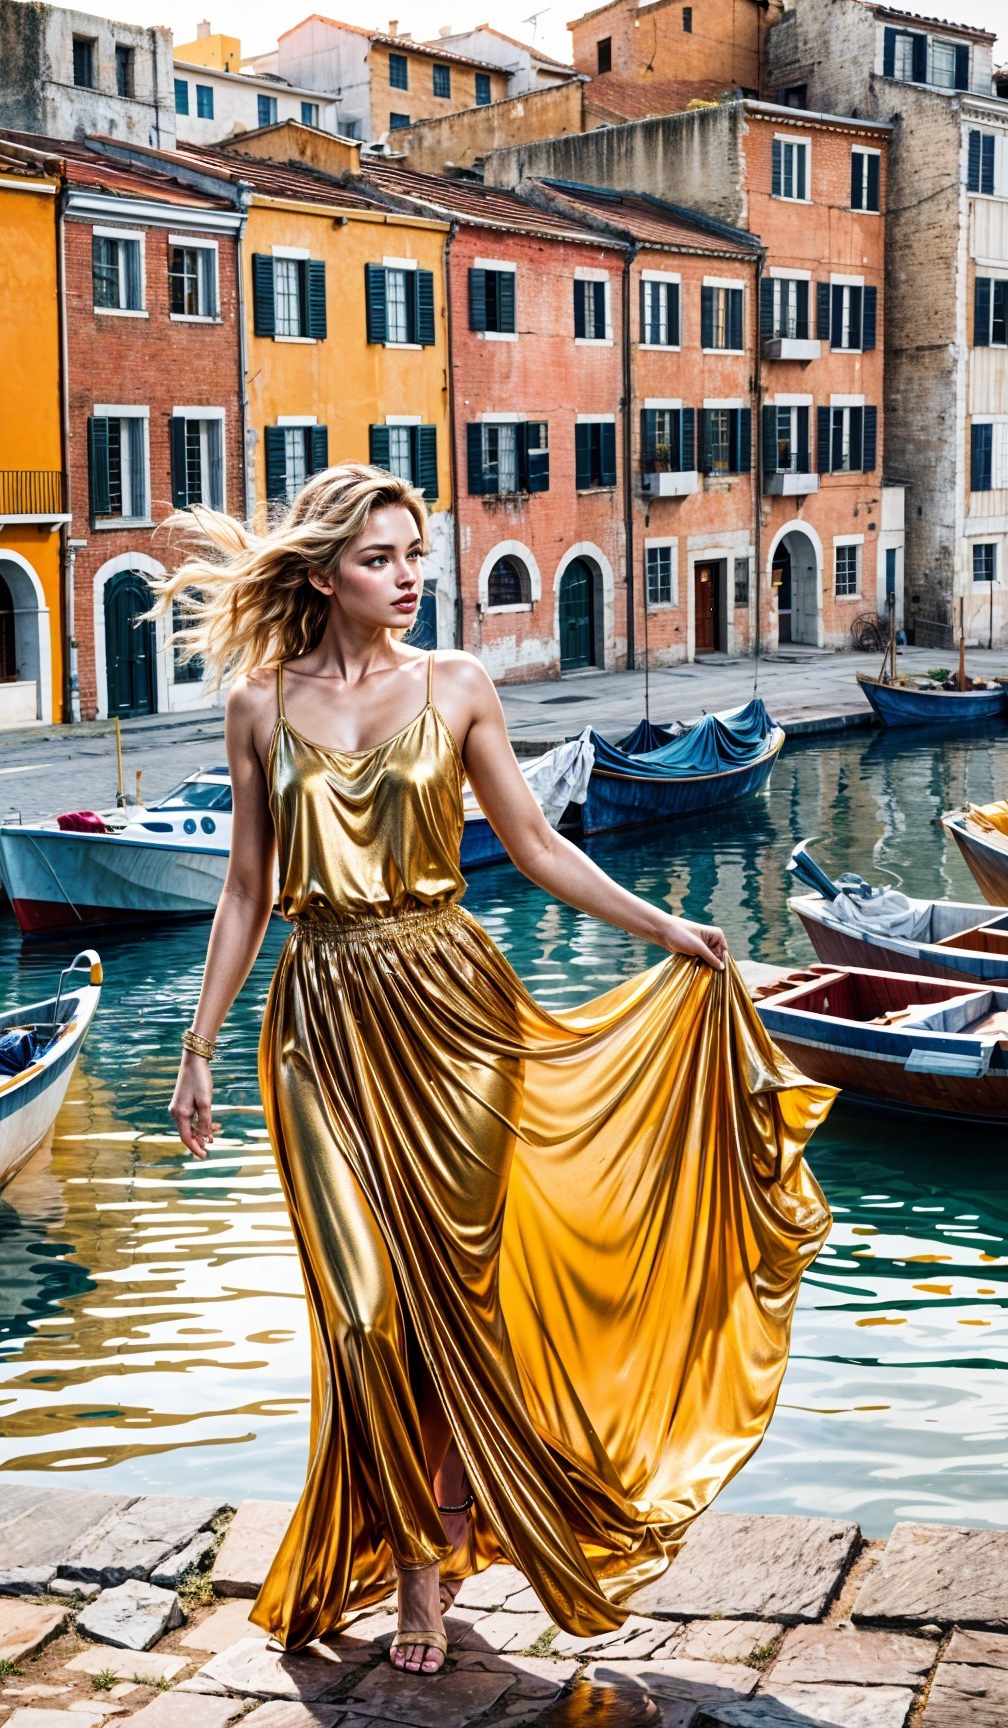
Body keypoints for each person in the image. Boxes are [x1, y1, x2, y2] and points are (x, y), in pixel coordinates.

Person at [160, 466, 836, 1674]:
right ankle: (419, 1551)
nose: (409, 577)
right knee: (367, 1315)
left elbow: (533, 845)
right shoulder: (258, 703)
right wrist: (200, 1048)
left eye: (416, 553)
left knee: (457, 1304)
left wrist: (667, 928)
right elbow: (248, 891)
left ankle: (440, 1550)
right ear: (322, 574)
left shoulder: (458, 684)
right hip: (323, 1017)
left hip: (455, 1011)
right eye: (380, 558)